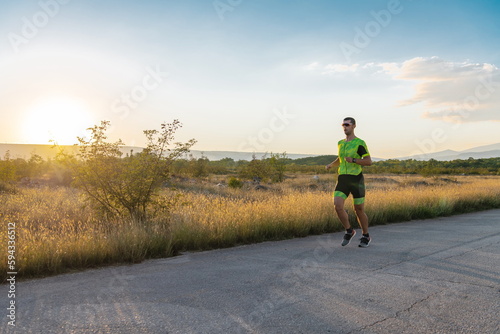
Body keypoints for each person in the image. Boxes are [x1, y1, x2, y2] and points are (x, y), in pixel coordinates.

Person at [326, 117, 372, 247]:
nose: (344, 127)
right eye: (343, 125)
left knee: (358, 209)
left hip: (356, 179)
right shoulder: (340, 143)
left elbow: (368, 161)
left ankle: (366, 235)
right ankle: (349, 230)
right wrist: (331, 165)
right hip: (343, 179)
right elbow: (341, 159)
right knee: (337, 206)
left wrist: (354, 160)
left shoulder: (359, 143)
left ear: (353, 126)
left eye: (347, 124)